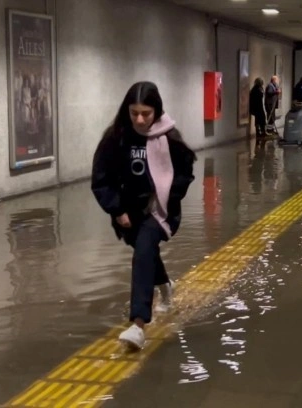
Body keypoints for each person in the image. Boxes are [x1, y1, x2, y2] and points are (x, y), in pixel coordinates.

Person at [91, 81, 196, 350]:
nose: (139, 119)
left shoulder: (169, 138)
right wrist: (117, 210)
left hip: (161, 211)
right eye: (134, 112)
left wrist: (166, 199)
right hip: (128, 212)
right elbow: (101, 179)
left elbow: (185, 172)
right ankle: (165, 285)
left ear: (156, 111)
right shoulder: (115, 139)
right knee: (144, 249)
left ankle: (138, 324)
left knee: (144, 249)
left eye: (146, 114)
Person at [249, 78, 267, 142]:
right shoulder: (257, 90)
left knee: (258, 119)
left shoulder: (254, 89)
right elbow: (260, 96)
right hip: (258, 106)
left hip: (256, 107)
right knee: (261, 118)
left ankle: (259, 131)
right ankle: (262, 131)